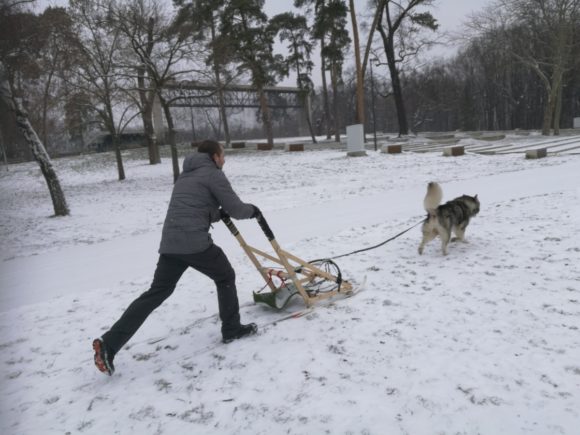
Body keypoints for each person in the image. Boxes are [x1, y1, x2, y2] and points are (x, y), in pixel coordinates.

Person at [93, 140, 261, 376]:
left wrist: (216, 213)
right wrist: (254, 210)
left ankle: (109, 344)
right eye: (222, 155)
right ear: (214, 156)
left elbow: (193, 207)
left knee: (156, 293)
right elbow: (236, 209)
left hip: (170, 244)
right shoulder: (213, 174)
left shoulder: (186, 175)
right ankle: (231, 329)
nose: (224, 160)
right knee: (225, 276)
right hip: (194, 243)